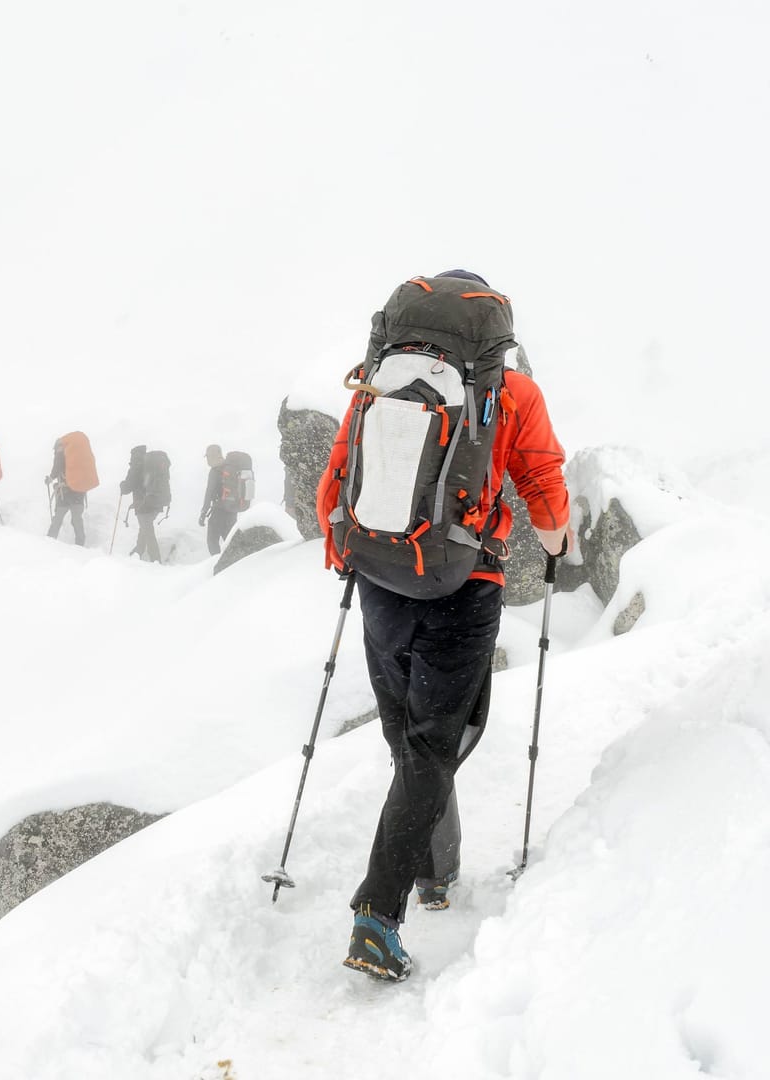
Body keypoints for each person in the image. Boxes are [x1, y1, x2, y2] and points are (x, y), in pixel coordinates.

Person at [316, 269, 575, 982]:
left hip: (379, 576)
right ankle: (378, 914)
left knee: (411, 744)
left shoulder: (379, 381)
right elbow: (545, 486)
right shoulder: (509, 392)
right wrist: (557, 546)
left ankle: (436, 872)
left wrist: (349, 554)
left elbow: (338, 474)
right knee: (437, 745)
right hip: (465, 585)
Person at [45, 434, 89, 545]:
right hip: (79, 492)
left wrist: (50, 478)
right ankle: (80, 544)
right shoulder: (78, 455)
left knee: (58, 519)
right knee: (76, 520)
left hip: (64, 492)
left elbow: (57, 467)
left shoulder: (60, 451)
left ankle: (48, 541)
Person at [198, 444, 238, 555]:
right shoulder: (230, 467)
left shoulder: (215, 471)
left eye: (208, 457)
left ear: (212, 456)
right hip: (232, 510)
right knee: (229, 540)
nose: (207, 460)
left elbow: (209, 492)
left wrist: (203, 513)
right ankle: (236, 564)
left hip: (219, 511)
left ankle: (217, 566)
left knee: (212, 541)